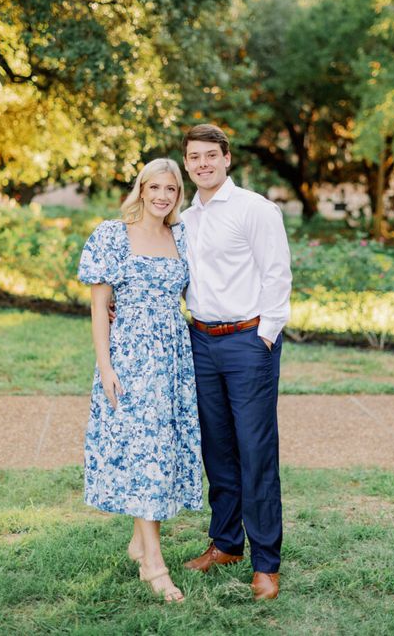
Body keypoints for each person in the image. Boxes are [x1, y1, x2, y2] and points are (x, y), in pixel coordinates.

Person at [78, 158, 202, 603]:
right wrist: (106, 367)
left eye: (171, 189)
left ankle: (139, 541)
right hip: (130, 355)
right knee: (145, 450)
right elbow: (99, 308)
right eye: (156, 188)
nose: (163, 196)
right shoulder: (113, 234)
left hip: (173, 354)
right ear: (141, 188)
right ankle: (154, 563)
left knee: (161, 447)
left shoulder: (181, 234)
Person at [180, 124, 292, 601]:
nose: (202, 164)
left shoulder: (255, 209)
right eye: (194, 157)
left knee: (255, 451)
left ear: (227, 159)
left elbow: (277, 274)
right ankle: (226, 543)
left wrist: (265, 337)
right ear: (186, 164)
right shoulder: (184, 219)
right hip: (200, 341)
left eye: (210, 155)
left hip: (249, 341)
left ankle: (266, 562)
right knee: (218, 449)